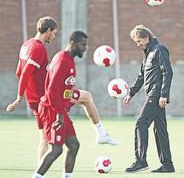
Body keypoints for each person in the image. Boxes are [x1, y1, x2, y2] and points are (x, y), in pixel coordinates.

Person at [6, 16, 117, 163]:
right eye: (54, 33)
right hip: (48, 97)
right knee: (86, 97)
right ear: (49, 30)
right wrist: (18, 98)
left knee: (44, 138)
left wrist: (26, 94)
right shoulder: (38, 49)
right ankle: (101, 133)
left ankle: (40, 171)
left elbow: (19, 72)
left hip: (34, 100)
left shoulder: (26, 45)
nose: (54, 36)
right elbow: (25, 72)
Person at [32, 30, 87, 178]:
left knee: (74, 145)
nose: (85, 48)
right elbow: (51, 90)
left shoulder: (69, 59)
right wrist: (59, 114)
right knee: (56, 149)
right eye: (82, 44)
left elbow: (64, 87)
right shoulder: (62, 60)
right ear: (73, 43)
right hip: (52, 110)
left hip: (59, 110)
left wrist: (71, 98)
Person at [123, 25, 174, 173]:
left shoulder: (159, 49)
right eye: (136, 42)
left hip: (156, 95)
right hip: (153, 94)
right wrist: (130, 93)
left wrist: (164, 94)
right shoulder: (148, 53)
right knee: (160, 130)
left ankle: (140, 161)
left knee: (141, 123)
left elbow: (168, 72)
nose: (138, 44)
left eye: (139, 41)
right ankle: (167, 165)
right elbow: (141, 77)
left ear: (146, 38)